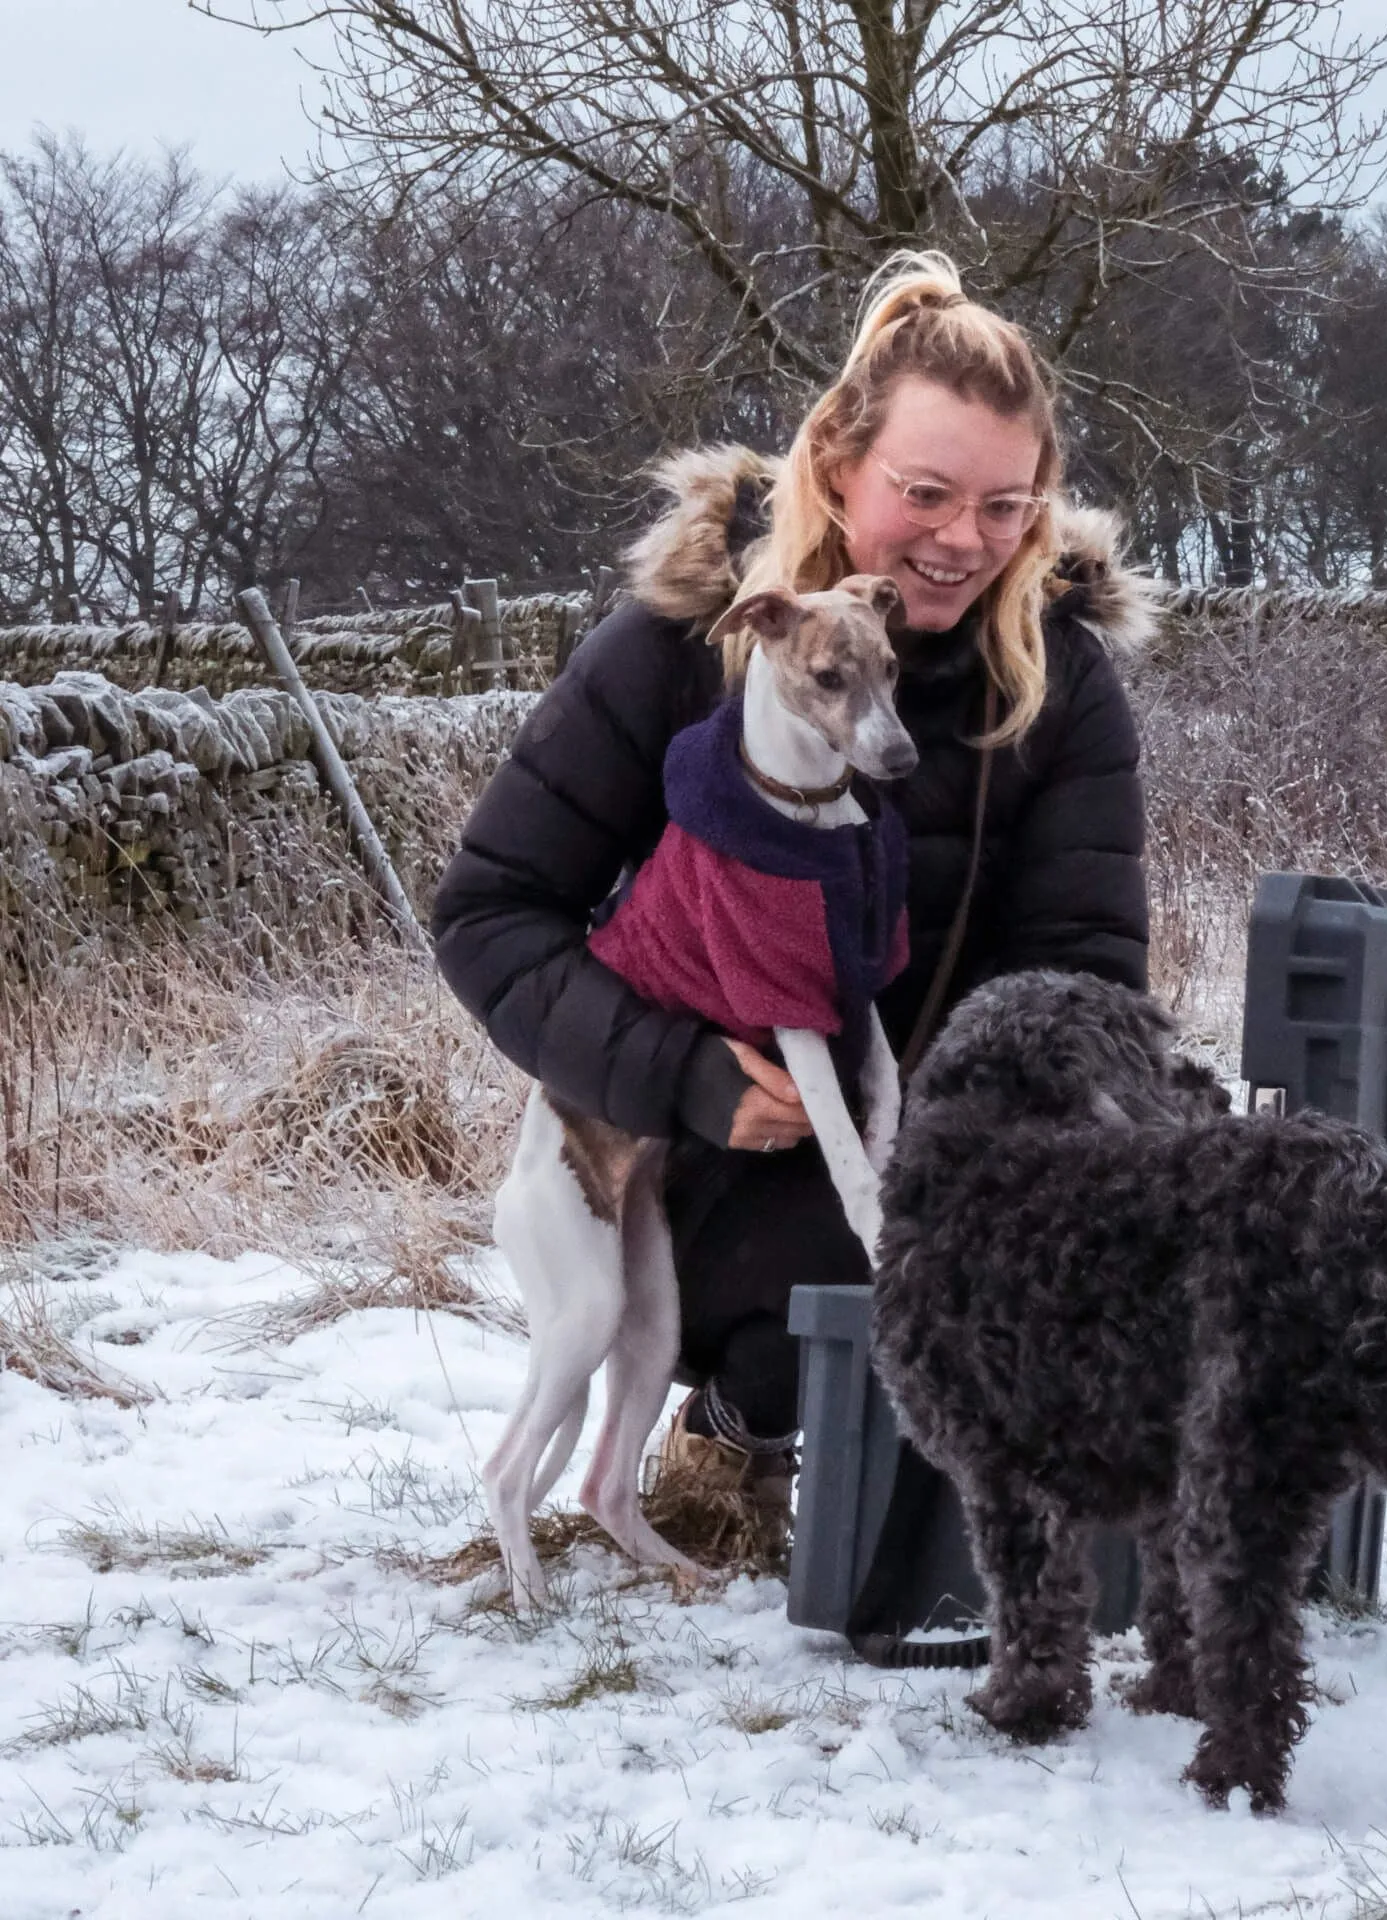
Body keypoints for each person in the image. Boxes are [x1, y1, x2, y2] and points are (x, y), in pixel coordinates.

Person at [432, 251, 1158, 1554]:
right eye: (924, 494)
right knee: (827, 1238)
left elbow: (1089, 967)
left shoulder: (1064, 686)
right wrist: (678, 1073)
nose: (962, 540)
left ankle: (1018, 1482)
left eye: (1006, 506)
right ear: (836, 464)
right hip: (697, 1166)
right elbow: (490, 913)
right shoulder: (680, 644)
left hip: (930, 1124)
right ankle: (743, 1431)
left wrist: (999, 1140)